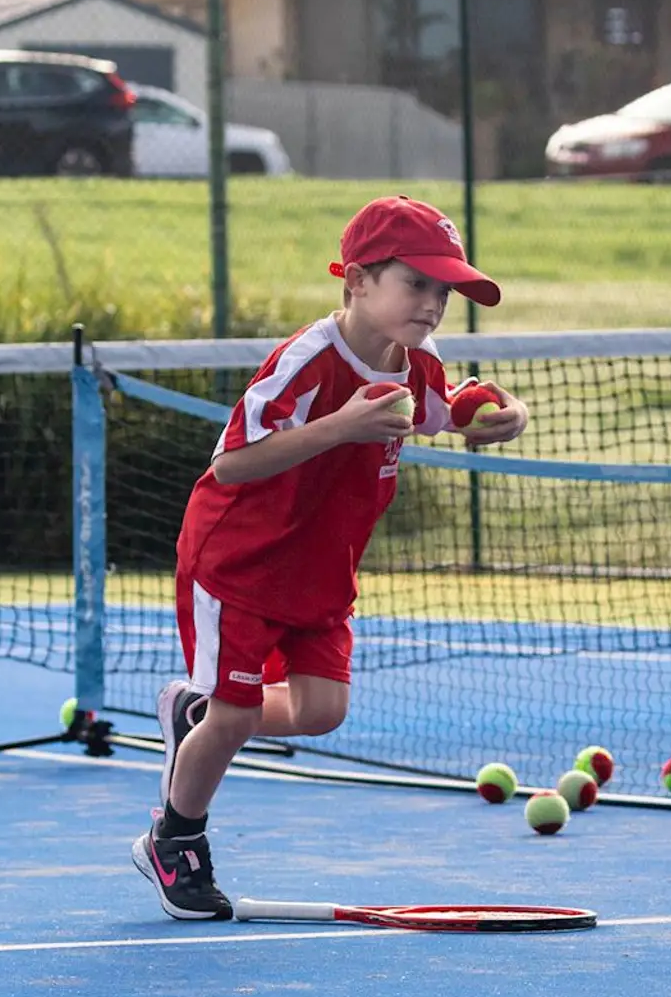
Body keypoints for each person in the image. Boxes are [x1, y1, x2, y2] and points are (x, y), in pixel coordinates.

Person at [133, 196, 528, 918]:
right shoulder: (307, 362)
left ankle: (197, 714)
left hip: (321, 570)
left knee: (321, 712)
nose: (434, 303)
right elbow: (232, 464)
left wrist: (500, 415)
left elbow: (445, 410)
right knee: (234, 718)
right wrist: (340, 427)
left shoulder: (418, 363)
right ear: (357, 281)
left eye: (444, 291)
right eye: (417, 283)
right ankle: (175, 840)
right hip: (240, 563)